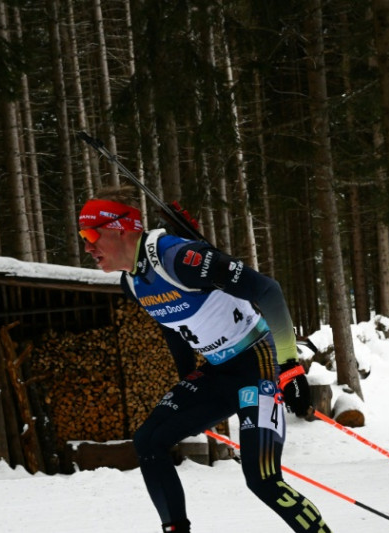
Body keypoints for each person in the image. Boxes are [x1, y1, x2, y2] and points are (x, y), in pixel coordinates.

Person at [78, 186, 331, 533]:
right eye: (83, 237)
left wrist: (290, 368)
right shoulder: (132, 283)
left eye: (91, 235)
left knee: (262, 479)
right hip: (218, 370)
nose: (87, 246)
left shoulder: (177, 258)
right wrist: (188, 380)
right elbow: (172, 326)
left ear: (121, 229)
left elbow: (268, 290)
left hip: (258, 362)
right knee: (148, 441)